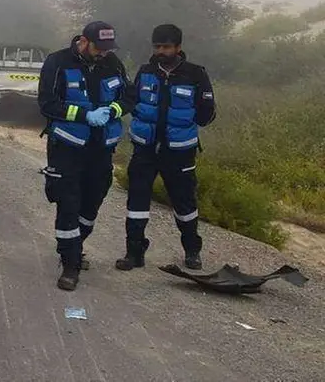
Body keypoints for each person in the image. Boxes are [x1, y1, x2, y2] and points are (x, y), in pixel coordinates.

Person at [37, 21, 134, 291]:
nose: (103, 53)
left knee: (93, 201)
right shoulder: (57, 62)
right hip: (66, 147)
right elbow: (47, 103)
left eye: (107, 49)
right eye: (99, 48)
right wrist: (84, 115)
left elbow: (130, 96)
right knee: (68, 202)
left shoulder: (112, 63)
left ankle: (75, 245)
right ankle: (70, 264)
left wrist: (113, 110)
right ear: (84, 41)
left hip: (101, 148)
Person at [116, 24, 216, 271]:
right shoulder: (145, 71)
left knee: (184, 203)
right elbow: (132, 99)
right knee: (137, 202)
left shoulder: (196, 74)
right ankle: (134, 252)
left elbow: (207, 113)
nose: (161, 51)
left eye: (166, 46)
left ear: (178, 48)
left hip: (179, 151)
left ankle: (192, 251)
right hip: (145, 149)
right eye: (157, 46)